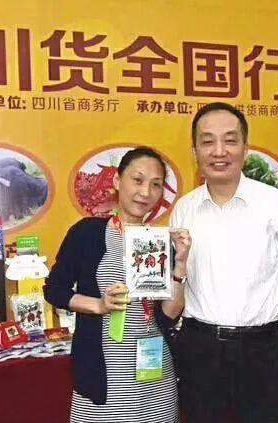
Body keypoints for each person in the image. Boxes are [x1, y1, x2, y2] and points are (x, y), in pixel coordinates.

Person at [170, 102, 278, 423]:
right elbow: (180, 277)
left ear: (245, 149)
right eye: (208, 142)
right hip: (201, 349)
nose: (219, 151)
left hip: (263, 350)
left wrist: (267, 331)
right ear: (195, 152)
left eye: (230, 140)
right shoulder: (184, 209)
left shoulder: (277, 205)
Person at [44, 146, 191, 423]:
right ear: (117, 180)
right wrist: (98, 305)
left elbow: (169, 316)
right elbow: (55, 290)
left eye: (155, 184)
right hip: (105, 379)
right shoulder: (87, 233)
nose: (145, 192)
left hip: (155, 377)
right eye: (137, 180)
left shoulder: (158, 242)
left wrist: (180, 264)